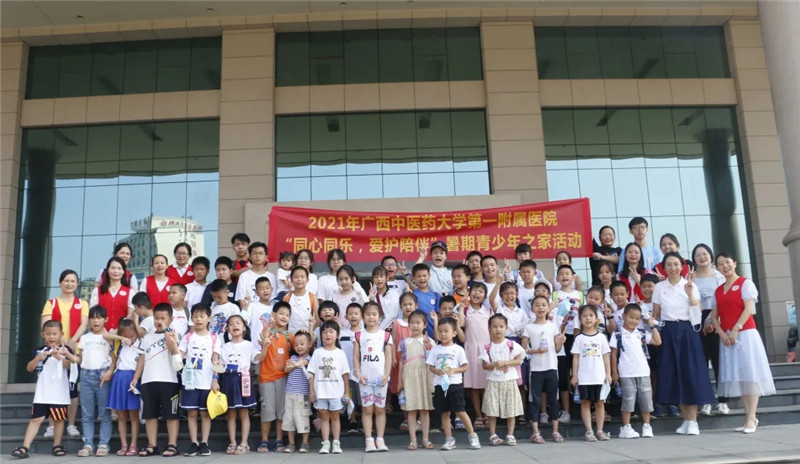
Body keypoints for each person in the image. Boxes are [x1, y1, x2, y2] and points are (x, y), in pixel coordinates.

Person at [712, 252, 776, 433]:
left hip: (745, 335)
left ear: (735, 263)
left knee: (750, 375)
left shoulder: (745, 284)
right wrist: (721, 333)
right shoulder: (719, 290)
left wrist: (736, 328)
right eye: (720, 264)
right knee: (740, 377)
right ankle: (749, 417)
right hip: (728, 339)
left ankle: (751, 417)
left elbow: (749, 309)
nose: (725, 266)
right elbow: (715, 316)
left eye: (727, 262)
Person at [653, 252, 715, 436]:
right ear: (664, 268)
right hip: (668, 332)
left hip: (688, 331)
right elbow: (656, 314)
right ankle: (686, 420)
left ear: (682, 266)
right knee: (674, 374)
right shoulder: (659, 287)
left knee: (690, 374)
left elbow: (698, 313)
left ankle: (693, 421)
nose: (673, 268)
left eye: (676, 264)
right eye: (669, 264)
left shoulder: (690, 285)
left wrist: (689, 294)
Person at [10, 320, 78, 459]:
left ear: (61, 334)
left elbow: (71, 366)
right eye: (48, 334)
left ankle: (57, 445)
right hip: (42, 392)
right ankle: (25, 447)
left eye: (54, 334)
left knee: (59, 419)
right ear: (43, 334)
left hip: (59, 392)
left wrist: (60, 357)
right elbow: (29, 368)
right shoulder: (39, 350)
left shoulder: (65, 350)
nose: (51, 336)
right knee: (36, 419)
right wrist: (38, 358)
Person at [40, 269, 87, 439]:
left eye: (73, 281)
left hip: (73, 349)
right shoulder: (51, 303)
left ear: (77, 284)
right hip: (53, 349)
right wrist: (60, 341)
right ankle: (51, 425)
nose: (69, 284)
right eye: (66, 280)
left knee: (72, 387)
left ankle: (71, 424)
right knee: (52, 386)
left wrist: (71, 341)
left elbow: (83, 325)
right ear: (60, 283)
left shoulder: (82, 303)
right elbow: (46, 325)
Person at [427, 317, 481, 450]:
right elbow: (431, 366)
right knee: (444, 413)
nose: (443, 334)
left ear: (454, 333)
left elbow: (465, 367)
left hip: (455, 385)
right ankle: (449, 439)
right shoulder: (435, 349)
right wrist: (437, 371)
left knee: (460, 411)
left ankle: (472, 436)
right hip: (440, 385)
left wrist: (453, 370)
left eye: (446, 331)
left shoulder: (458, 349)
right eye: (440, 331)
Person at [135, 303, 181, 457]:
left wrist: (167, 332)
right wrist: (136, 378)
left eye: (163, 318)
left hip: (169, 380)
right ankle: (152, 445)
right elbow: (142, 358)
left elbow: (172, 349)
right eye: (156, 318)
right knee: (150, 414)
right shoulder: (147, 337)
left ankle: (172, 444)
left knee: (171, 414)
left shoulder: (174, 334)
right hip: (148, 380)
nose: (159, 321)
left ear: (171, 319)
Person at [610, 303, 661, 439]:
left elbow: (657, 341)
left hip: (643, 372)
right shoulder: (617, 334)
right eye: (631, 317)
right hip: (626, 373)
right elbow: (613, 354)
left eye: (637, 318)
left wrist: (651, 325)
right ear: (623, 316)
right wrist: (614, 372)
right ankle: (626, 427)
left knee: (646, 400)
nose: (634, 321)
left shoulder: (641, 333)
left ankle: (647, 425)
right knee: (628, 399)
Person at [179, 303, 222, 456]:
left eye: (202, 316)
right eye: (195, 316)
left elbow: (215, 360)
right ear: (191, 318)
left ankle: (204, 443)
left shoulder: (214, 338)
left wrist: (215, 379)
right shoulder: (188, 337)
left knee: (205, 413)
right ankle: (193, 443)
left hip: (206, 380)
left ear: (209, 318)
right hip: (190, 381)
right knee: (191, 413)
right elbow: (179, 355)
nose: (198, 319)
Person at [522, 295, 565, 444]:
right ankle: (535, 432)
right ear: (532, 309)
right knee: (534, 400)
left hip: (551, 367)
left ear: (548, 308)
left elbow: (557, 348)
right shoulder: (529, 327)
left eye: (543, 305)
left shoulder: (553, 326)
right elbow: (523, 350)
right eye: (537, 305)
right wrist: (536, 351)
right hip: (535, 369)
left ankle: (555, 431)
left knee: (554, 399)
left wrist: (561, 342)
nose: (540, 308)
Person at [220, 314, 265, 455]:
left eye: (238, 323)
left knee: (244, 412)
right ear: (227, 329)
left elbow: (258, 358)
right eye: (231, 324)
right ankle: (232, 442)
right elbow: (220, 365)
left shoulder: (249, 345)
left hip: (243, 379)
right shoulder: (225, 347)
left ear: (244, 328)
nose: (235, 325)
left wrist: (265, 347)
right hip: (228, 379)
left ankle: (244, 443)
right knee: (231, 413)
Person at [692, 243, 729, 416]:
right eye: (698, 255)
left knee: (719, 361)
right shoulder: (691, 277)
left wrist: (712, 321)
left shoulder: (719, 276)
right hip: (696, 320)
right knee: (701, 363)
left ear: (710, 256)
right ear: (694, 259)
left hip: (717, 319)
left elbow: (722, 300)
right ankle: (706, 400)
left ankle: (723, 401)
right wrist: (701, 321)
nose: (702, 257)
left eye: (704, 254)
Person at [479, 314, 525, 446]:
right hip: (493, 381)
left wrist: (505, 362)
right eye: (494, 327)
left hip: (509, 380)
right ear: (489, 329)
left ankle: (510, 434)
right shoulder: (488, 347)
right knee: (492, 409)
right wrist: (495, 365)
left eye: (501, 326)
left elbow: (518, 360)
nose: (498, 329)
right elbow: (484, 365)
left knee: (511, 409)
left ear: (506, 328)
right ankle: (493, 435)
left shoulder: (511, 345)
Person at [352, 302, 393, 452]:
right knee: (367, 409)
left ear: (379, 316)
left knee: (380, 409)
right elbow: (356, 356)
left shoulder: (385, 335)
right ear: (363, 317)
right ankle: (369, 439)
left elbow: (388, 357)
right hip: (365, 379)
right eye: (368, 314)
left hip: (381, 379)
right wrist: (358, 373)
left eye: (374, 314)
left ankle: (380, 439)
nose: (371, 317)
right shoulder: (358, 335)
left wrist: (387, 375)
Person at [76, 306, 115, 457]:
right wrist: (69, 355)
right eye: (93, 318)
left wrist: (109, 372)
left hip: (103, 376)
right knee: (87, 414)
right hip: (86, 376)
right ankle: (88, 444)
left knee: (105, 413)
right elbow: (80, 358)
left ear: (105, 319)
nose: (96, 321)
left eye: (99, 318)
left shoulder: (110, 337)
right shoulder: (84, 338)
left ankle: (103, 444)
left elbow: (115, 358)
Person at [308, 320, 351, 455]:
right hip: (321, 392)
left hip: (336, 392)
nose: (328, 335)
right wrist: (311, 391)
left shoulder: (340, 353)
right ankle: (325, 443)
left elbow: (345, 375)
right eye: (325, 332)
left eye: (331, 332)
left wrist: (347, 393)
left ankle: (336, 443)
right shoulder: (317, 353)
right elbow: (312, 373)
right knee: (324, 418)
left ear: (337, 335)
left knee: (335, 417)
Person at [570, 305, 612, 442]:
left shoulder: (601, 337)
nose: (588, 318)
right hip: (584, 377)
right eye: (584, 316)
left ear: (596, 318)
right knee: (586, 402)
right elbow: (576, 358)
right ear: (580, 319)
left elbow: (606, 356)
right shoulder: (579, 338)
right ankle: (589, 431)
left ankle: (599, 430)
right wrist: (574, 375)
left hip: (599, 376)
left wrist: (608, 374)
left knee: (600, 403)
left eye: (591, 315)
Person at [257, 301, 293, 453]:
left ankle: (279, 441)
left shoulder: (290, 336)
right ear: (274, 315)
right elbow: (263, 338)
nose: (284, 317)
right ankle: (264, 441)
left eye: (287, 315)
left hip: (283, 377)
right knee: (267, 411)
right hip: (266, 378)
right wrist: (269, 326)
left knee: (281, 412)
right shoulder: (267, 332)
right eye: (281, 313)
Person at [397, 310, 434, 450]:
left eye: (418, 323)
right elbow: (401, 362)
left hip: (424, 376)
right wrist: (399, 381)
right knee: (411, 409)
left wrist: (428, 346)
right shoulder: (404, 342)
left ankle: (425, 439)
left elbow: (432, 359)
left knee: (424, 409)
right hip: (409, 377)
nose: (415, 326)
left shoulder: (429, 341)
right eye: (412, 323)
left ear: (425, 325)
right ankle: (413, 440)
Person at [106, 319, 141, 456]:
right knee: (121, 415)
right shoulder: (119, 344)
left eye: (132, 336)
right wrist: (121, 338)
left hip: (132, 378)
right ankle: (124, 444)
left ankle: (133, 444)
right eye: (126, 336)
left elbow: (140, 364)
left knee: (133, 414)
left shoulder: (140, 345)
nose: (129, 339)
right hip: (119, 378)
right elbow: (105, 336)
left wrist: (135, 378)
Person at [462, 282, 491, 429]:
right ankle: (478, 415)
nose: (477, 293)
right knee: (474, 386)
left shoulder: (488, 311)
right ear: (469, 293)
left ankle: (487, 413)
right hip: (471, 350)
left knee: (486, 384)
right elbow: (461, 324)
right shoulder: (465, 310)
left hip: (485, 351)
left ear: (485, 296)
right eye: (474, 290)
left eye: (481, 291)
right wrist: (461, 307)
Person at [282, 331, 314, 454]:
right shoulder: (293, 358)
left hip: (303, 394)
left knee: (303, 417)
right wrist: (292, 364)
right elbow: (286, 369)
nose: (299, 347)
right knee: (289, 417)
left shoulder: (309, 358)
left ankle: (305, 443)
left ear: (309, 344)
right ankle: (291, 443)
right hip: (289, 392)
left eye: (302, 344)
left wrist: (294, 365)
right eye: (296, 345)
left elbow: (303, 363)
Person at [391, 293, 416, 430]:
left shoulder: (418, 322)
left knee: (415, 390)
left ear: (416, 306)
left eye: (410, 304)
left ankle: (417, 419)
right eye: (405, 304)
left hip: (416, 362)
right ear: (401, 307)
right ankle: (406, 419)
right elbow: (393, 342)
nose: (408, 307)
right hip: (401, 361)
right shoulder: (397, 323)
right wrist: (393, 357)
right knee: (403, 391)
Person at [90, 257, 134, 331]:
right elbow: (92, 315)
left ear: (123, 271)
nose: (116, 271)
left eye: (119, 268)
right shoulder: (97, 291)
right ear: (108, 270)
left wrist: (117, 331)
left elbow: (131, 315)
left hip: (122, 334)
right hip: (101, 334)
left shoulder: (130, 292)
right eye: (113, 268)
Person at [236, 242, 277, 307]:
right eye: (255, 253)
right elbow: (241, 299)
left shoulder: (272, 277)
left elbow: (273, 299)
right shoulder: (244, 276)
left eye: (261, 253)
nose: (258, 256)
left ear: (266, 257)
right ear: (250, 257)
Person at [284, 266, 318, 335]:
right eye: (296, 277)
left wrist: (310, 334)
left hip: (307, 335)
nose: (299, 279)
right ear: (291, 280)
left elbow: (317, 320)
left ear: (307, 280)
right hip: (290, 335)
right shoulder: (287, 297)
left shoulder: (312, 297)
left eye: (302, 277)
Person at [413, 264, 441, 338]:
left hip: (433, 336)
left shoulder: (436, 296)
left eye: (424, 276)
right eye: (419, 276)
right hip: (417, 336)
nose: (422, 278)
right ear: (414, 278)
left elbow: (439, 316)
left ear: (429, 276)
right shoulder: (412, 295)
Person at [370, 265, 400, 331]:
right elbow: (367, 313)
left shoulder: (394, 294)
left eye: (381, 276)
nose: (379, 279)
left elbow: (393, 314)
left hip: (389, 331)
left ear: (387, 278)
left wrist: (379, 330)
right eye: (376, 277)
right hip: (374, 330)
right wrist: (371, 300)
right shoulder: (371, 296)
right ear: (373, 279)